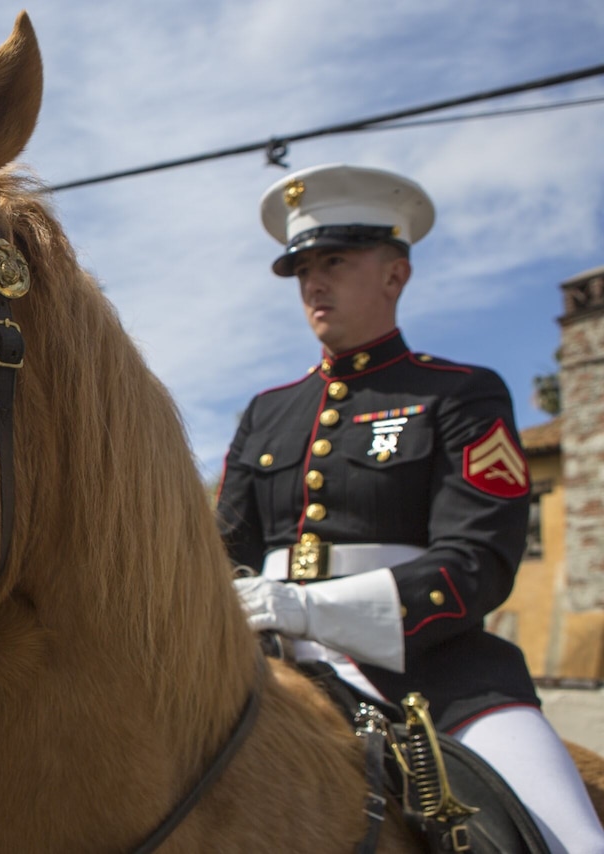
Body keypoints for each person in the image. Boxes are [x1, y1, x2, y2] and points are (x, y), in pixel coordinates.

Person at [216, 163, 604, 852]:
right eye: (303, 266)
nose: (314, 282)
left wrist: (312, 609)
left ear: (395, 275)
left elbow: (477, 565)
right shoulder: (268, 413)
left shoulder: (457, 395)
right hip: (259, 660)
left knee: (571, 840)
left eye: (334, 260)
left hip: (433, 675)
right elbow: (223, 549)